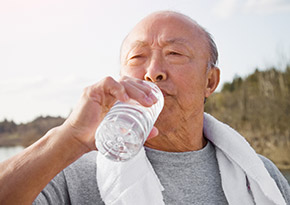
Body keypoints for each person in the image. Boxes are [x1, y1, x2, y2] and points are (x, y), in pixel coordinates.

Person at [0, 11, 289, 205]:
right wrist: (70, 137)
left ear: (210, 82)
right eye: (137, 57)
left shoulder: (259, 176)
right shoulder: (73, 175)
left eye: (174, 54)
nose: (152, 72)